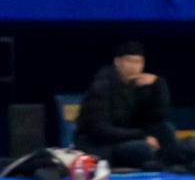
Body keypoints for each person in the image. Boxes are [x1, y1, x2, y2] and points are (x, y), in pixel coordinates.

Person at [74, 41, 176, 170]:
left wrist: (159, 85)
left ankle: (169, 163)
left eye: (138, 62)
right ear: (117, 62)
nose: (133, 67)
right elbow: (100, 130)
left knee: (166, 129)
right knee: (143, 149)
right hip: (103, 146)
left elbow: (157, 117)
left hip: (127, 139)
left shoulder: (137, 86)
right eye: (129, 61)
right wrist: (142, 136)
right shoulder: (102, 87)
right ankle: (162, 161)